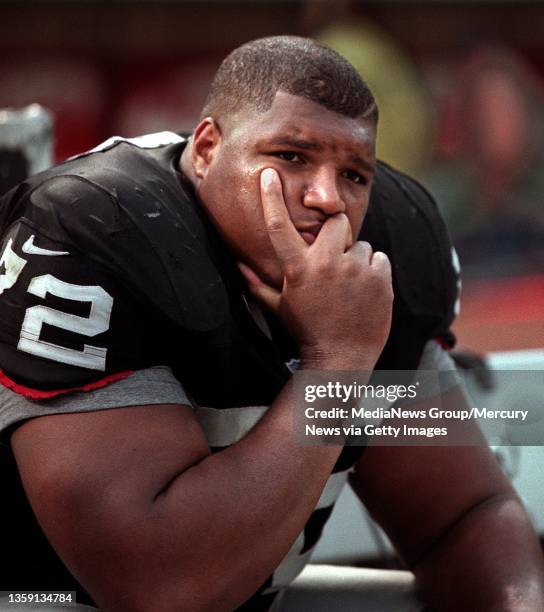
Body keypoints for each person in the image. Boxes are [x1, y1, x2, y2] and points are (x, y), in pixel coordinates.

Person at [0, 36, 542, 612]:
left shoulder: (388, 244)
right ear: (207, 148)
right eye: (291, 156)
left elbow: (463, 518)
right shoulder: (95, 230)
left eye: (355, 173)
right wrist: (336, 363)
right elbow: (161, 591)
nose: (328, 197)